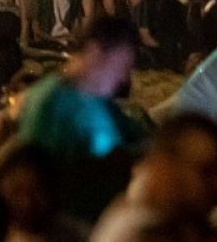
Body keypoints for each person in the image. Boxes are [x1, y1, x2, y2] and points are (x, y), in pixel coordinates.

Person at [16, 15, 140, 220]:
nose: (124, 78)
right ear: (95, 52)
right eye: (122, 66)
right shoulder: (50, 103)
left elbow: (139, 136)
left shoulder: (96, 100)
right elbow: (37, 177)